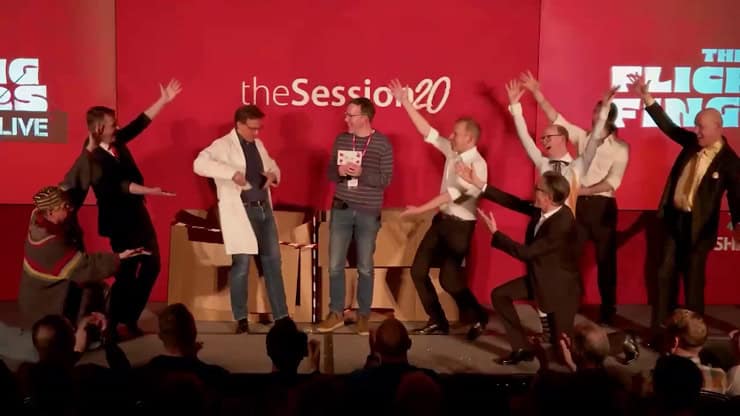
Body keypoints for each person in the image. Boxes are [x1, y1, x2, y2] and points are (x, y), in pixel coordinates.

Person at [627, 73, 740, 332]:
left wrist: (738, 223)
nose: (696, 131)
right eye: (696, 125)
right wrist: (647, 98)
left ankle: (693, 335)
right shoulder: (691, 142)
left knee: (692, 282)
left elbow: (737, 197)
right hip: (674, 221)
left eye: (701, 127)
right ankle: (660, 331)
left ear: (718, 128)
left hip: (699, 229)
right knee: (664, 275)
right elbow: (669, 128)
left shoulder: (730, 162)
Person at [521, 71, 628, 325]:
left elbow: (613, 182)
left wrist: (581, 190)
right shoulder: (581, 136)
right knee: (569, 257)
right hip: (577, 205)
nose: (594, 117)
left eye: (600, 113)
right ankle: (568, 303)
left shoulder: (621, 148)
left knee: (606, 261)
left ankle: (608, 310)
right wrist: (536, 92)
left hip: (602, 205)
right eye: (595, 112)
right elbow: (555, 118)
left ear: (609, 118)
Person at [389, 79, 489, 339]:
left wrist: (419, 210)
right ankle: (438, 321)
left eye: (456, 134)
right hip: (442, 221)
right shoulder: (452, 151)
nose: (450, 136)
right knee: (418, 271)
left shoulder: (478, 165)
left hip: (460, 228)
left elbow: (451, 195)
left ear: (469, 138)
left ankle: (479, 316)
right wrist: (405, 101)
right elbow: (428, 132)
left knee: (449, 280)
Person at [84, 79, 182, 339]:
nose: (117, 126)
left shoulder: (116, 141)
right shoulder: (93, 157)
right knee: (126, 273)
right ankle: (112, 324)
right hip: (119, 223)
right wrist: (151, 191)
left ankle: (130, 317)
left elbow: (139, 123)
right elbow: (122, 186)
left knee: (152, 265)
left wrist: (163, 101)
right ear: (98, 128)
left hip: (137, 217)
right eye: (112, 124)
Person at [461, 169, 580, 365]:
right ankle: (521, 348)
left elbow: (527, 253)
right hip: (539, 279)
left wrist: (496, 234)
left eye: (537, 189)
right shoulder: (542, 209)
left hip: (560, 291)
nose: (533, 191)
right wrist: (479, 184)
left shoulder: (562, 223)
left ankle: (622, 341)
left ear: (549, 197)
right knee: (500, 295)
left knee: (567, 350)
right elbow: (513, 202)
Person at [193, 104, 289, 333]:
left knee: (273, 263)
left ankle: (282, 317)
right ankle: (241, 318)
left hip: (264, 210)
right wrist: (231, 173)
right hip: (241, 212)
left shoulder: (258, 144)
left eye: (259, 128)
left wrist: (273, 175)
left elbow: (273, 165)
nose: (256, 132)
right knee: (242, 265)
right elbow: (199, 164)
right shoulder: (222, 145)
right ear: (239, 124)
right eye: (252, 128)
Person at [19, 186, 147, 329]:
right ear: (50, 212)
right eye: (65, 206)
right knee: (94, 290)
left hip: (35, 293)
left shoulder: (38, 216)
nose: (71, 208)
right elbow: (86, 266)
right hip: (45, 302)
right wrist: (120, 256)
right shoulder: (51, 245)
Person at [317, 97, 393, 335]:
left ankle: (363, 315)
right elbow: (330, 173)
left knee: (365, 267)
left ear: (364, 118)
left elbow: (385, 179)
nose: (346, 119)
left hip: (368, 212)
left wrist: (362, 173)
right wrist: (339, 171)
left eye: (350, 115)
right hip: (341, 208)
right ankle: (336, 312)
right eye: (346, 114)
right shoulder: (342, 139)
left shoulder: (382, 144)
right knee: (335, 265)